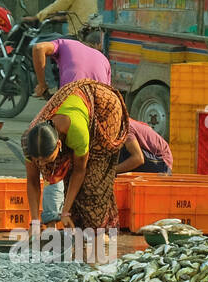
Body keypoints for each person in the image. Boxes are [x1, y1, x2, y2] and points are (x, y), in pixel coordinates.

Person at [22, 80, 144, 230]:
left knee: (92, 181)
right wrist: (34, 222)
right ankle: (76, 225)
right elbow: (33, 182)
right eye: (37, 160)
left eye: (46, 159)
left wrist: (65, 212)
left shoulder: (77, 132)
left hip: (104, 109)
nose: (42, 164)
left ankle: (101, 230)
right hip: (75, 106)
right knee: (66, 175)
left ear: (59, 145)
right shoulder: (29, 141)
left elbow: (80, 171)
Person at [31, 36, 111, 99]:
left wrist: (42, 84)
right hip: (101, 102)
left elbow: (39, 48)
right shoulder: (104, 59)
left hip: (73, 96)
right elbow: (108, 91)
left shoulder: (66, 43)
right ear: (99, 46)